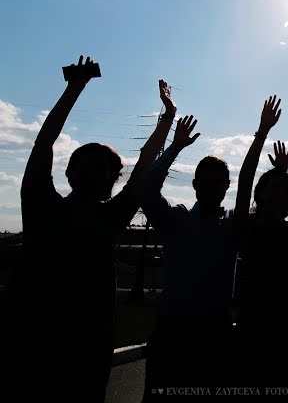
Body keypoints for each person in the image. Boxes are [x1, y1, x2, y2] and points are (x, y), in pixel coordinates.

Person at [2, 57, 176, 402]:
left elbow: (144, 163)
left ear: (113, 181)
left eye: (102, 168)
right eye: (87, 165)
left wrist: (168, 119)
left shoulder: (111, 217)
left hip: (87, 349)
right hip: (27, 340)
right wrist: (74, 88)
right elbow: (44, 144)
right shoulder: (40, 203)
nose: (94, 172)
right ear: (69, 172)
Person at [141, 96, 282, 400]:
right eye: (205, 181)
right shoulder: (175, 219)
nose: (211, 187)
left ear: (226, 186)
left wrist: (265, 140)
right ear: (194, 184)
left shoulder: (234, 224)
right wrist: (175, 147)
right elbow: (146, 188)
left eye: (219, 182)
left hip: (216, 332)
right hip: (172, 332)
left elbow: (254, 191)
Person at [236, 92, 288, 402]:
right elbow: (246, 177)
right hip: (253, 326)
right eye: (271, 190)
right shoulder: (246, 227)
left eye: (284, 192)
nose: (277, 196)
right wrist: (262, 131)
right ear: (259, 195)